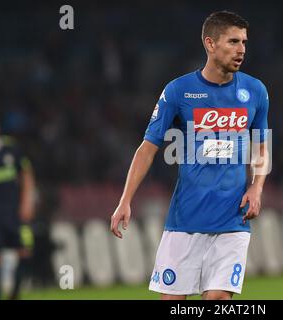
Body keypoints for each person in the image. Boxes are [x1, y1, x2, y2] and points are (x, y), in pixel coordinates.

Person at [110, 11, 270, 300]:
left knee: (218, 300)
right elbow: (147, 148)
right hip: (184, 222)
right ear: (210, 43)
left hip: (232, 221)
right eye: (233, 41)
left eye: (244, 42)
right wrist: (125, 200)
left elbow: (261, 145)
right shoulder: (178, 91)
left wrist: (257, 187)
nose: (241, 49)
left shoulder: (255, 91)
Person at [0, 114, 36, 300]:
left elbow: (26, 173)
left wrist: (27, 202)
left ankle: (14, 295)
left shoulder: (10, 148)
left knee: (25, 251)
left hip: (14, 213)